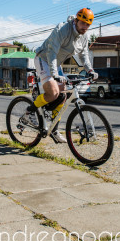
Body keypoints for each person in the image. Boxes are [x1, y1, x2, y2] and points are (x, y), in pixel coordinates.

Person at [26, 8, 99, 143]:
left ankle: (54, 130)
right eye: (83, 23)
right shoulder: (63, 29)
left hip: (56, 64)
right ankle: (30, 110)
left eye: (88, 25)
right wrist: (54, 74)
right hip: (44, 59)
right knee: (53, 93)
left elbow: (84, 56)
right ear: (76, 21)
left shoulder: (84, 37)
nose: (85, 27)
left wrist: (90, 71)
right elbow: (52, 52)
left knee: (63, 95)